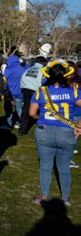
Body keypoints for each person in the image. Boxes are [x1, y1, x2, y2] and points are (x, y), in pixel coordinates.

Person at [29, 59, 81, 206]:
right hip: (66, 132)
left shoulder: (41, 91)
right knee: (64, 167)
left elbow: (32, 113)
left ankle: (44, 197)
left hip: (44, 132)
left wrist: (42, 118)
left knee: (45, 166)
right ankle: (65, 198)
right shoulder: (74, 91)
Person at [19, 56, 46, 135]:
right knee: (41, 108)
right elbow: (44, 81)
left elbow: (23, 78)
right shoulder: (43, 70)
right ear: (43, 63)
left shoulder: (28, 69)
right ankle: (42, 126)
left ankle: (22, 130)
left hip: (25, 90)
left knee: (25, 109)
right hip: (36, 90)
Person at [4, 52, 26, 129]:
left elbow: (4, 79)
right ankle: (21, 123)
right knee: (19, 108)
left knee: (9, 108)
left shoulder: (9, 69)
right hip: (22, 91)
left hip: (11, 92)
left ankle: (10, 124)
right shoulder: (23, 68)